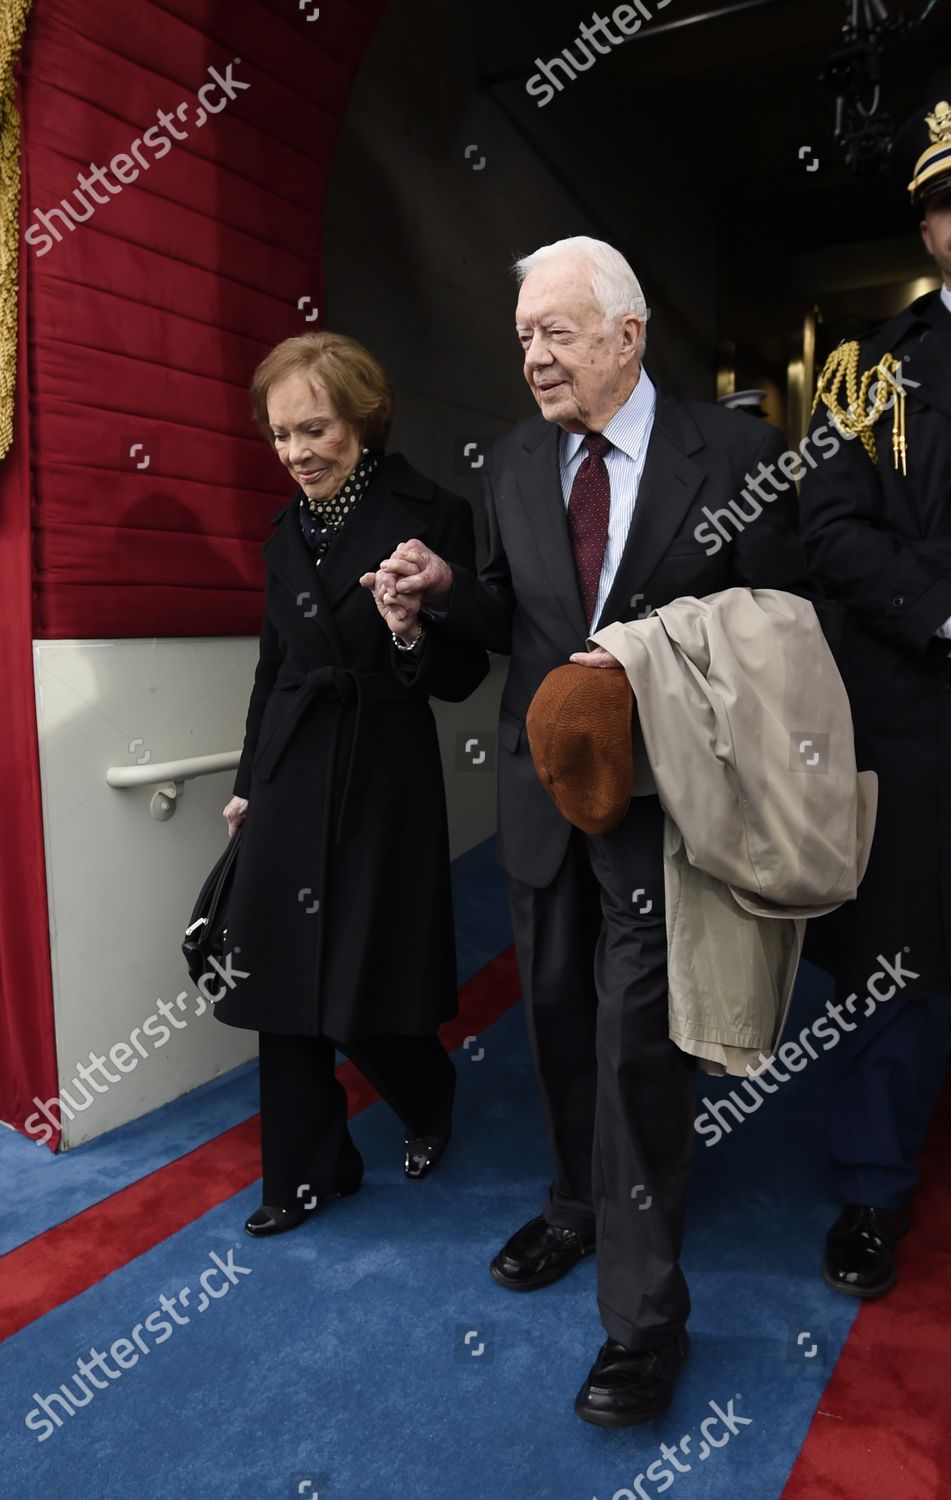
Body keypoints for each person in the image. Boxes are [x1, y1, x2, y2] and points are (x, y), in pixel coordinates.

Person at [361, 237, 808, 1426]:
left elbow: (779, 629)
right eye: (522, 340)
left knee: (638, 1051)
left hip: (668, 806)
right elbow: (515, 617)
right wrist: (443, 597)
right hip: (541, 801)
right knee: (556, 1022)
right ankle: (573, 1200)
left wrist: (655, 662)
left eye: (557, 334)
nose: (535, 359)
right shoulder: (513, 463)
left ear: (628, 335)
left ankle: (643, 1322)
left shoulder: (741, 453)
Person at [217, 331, 488, 1237]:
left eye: (314, 429)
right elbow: (272, 670)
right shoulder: (284, 533)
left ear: (363, 419)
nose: (296, 454)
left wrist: (411, 627)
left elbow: (460, 676)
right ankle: (303, 1171)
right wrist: (250, 781)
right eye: (280, 435)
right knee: (286, 983)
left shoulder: (434, 511)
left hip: (384, 768)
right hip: (294, 767)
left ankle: (429, 1096)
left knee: (373, 976)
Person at [798, 99, 951, 1299]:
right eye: (949, 201)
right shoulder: (870, 370)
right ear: (928, 222)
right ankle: (871, 1187)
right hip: (912, 710)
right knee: (891, 959)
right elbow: (829, 529)